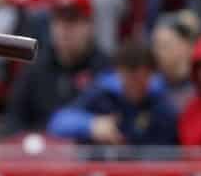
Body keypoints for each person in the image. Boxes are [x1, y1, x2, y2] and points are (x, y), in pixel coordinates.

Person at [6, 0, 110, 133]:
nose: (65, 29)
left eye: (73, 20)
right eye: (59, 20)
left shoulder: (105, 69)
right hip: (42, 151)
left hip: (88, 152)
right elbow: (14, 121)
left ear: (90, 26)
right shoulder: (35, 70)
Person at [48, 40, 178, 146]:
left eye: (140, 79)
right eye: (129, 79)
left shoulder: (162, 105)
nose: (135, 86)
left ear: (150, 75)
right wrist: (91, 125)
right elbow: (58, 123)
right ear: (119, 73)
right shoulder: (102, 95)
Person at [150, 12, 198, 112]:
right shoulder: (150, 86)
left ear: (185, 46)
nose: (157, 52)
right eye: (155, 46)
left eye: (164, 46)